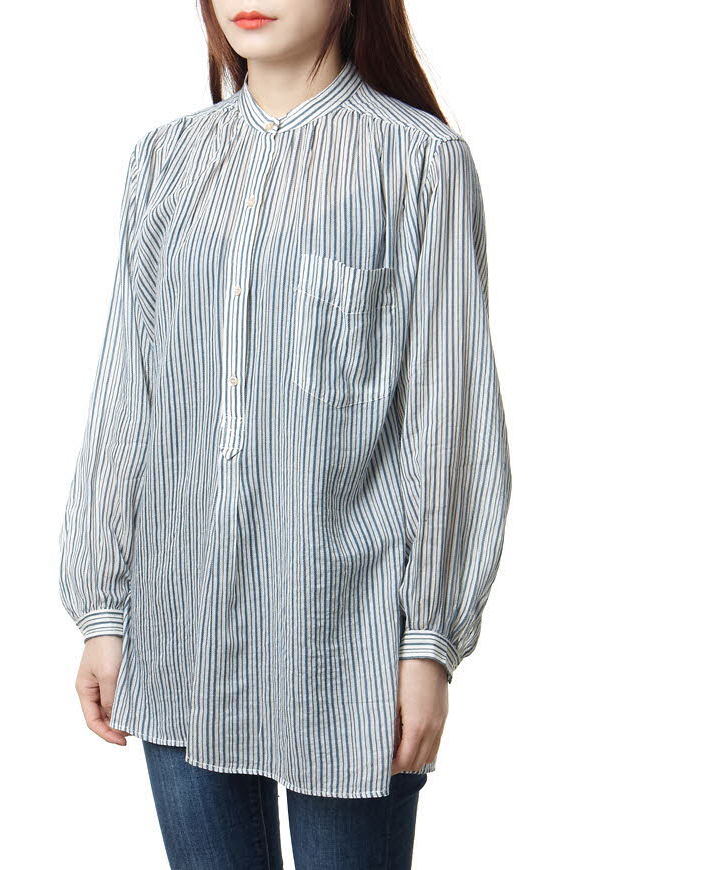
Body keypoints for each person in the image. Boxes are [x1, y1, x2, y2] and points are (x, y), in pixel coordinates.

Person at [59, 1, 512, 867]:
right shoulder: (165, 162)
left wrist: (429, 641)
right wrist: (103, 607)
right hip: (179, 626)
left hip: (345, 641)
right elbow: (126, 394)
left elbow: (451, 415)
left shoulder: (419, 161)